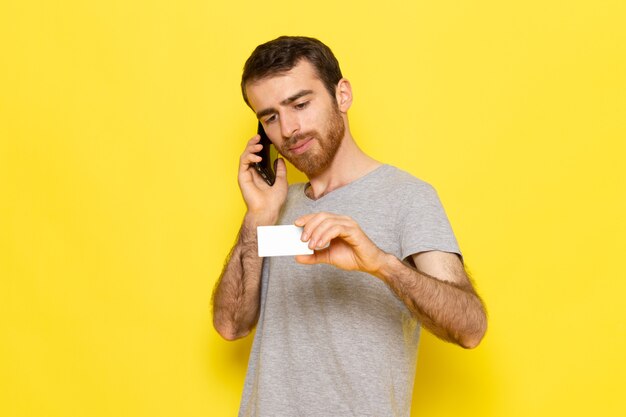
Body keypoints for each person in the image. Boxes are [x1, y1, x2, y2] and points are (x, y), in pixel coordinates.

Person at [212, 36, 487, 417]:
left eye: (301, 104)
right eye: (270, 117)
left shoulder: (407, 197)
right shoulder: (274, 204)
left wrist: (381, 263)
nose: (288, 129)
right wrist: (255, 219)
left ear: (342, 95)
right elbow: (230, 325)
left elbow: (470, 327)